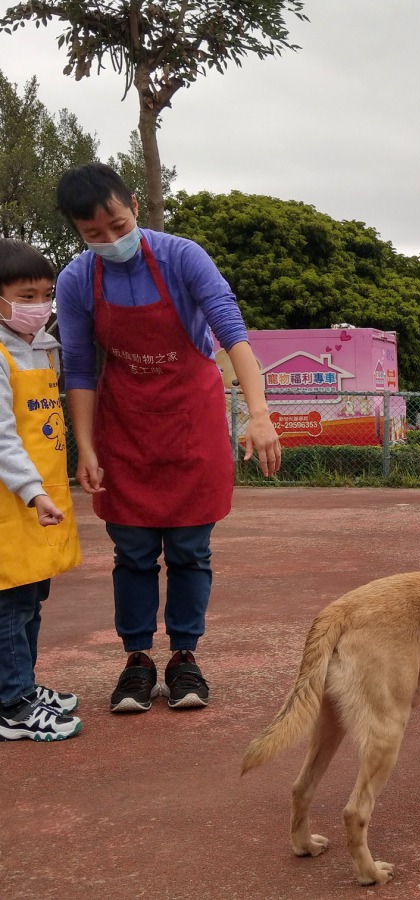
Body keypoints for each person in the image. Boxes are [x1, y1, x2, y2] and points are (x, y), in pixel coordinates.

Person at [54, 163, 281, 714]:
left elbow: (231, 331)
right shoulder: (77, 280)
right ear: (77, 234)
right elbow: (80, 368)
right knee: (131, 551)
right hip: (125, 422)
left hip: (191, 416)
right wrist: (85, 447)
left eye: (118, 223)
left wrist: (259, 412)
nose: (110, 240)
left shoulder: (182, 256)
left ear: (133, 204)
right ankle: (136, 660)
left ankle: (184, 658)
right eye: (93, 235)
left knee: (188, 549)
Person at [0, 238, 83, 741]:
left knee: (33, 596)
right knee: (10, 602)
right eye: (26, 295)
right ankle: (12, 705)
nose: (39, 306)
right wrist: (33, 492)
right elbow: (3, 436)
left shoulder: (41, 349)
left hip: (39, 496)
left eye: (45, 294)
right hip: (13, 503)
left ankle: (23, 685)